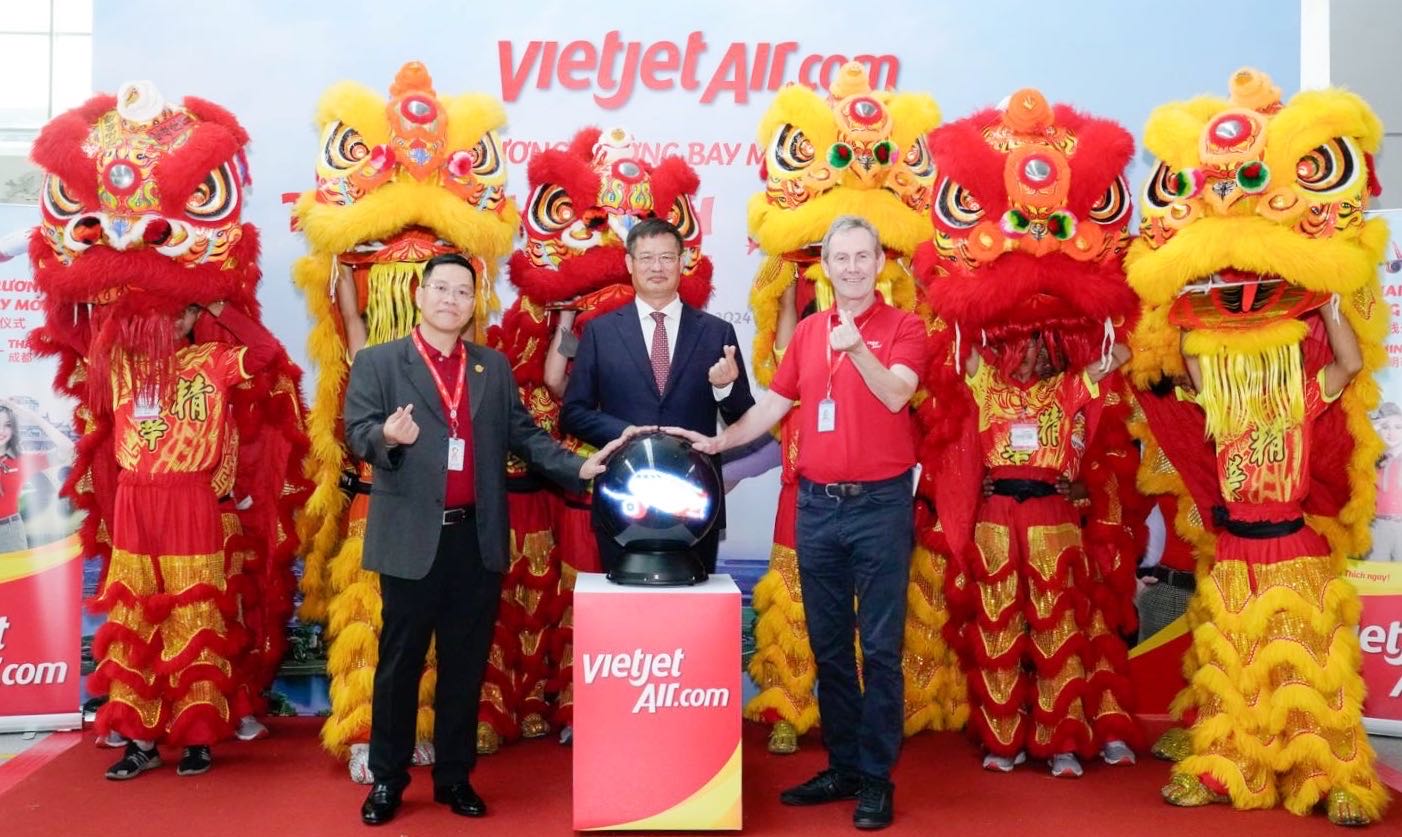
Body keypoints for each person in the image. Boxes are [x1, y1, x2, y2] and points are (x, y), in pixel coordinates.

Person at [345, 253, 623, 826]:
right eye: (441, 289)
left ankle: (453, 777)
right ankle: (388, 780)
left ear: (475, 303)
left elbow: (523, 434)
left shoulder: (490, 368)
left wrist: (578, 468)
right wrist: (386, 438)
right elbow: (356, 431)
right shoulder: (379, 361)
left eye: (463, 292)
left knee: (465, 665)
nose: (451, 300)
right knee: (398, 666)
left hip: (476, 539)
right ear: (420, 297)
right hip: (410, 540)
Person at [674, 215, 926, 830]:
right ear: (826, 267)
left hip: (880, 507)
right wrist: (718, 443)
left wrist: (858, 349)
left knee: (883, 649)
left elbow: (897, 394)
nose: (851, 268)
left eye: (862, 257)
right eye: (840, 258)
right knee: (831, 645)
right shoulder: (810, 332)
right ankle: (842, 765)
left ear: (879, 262)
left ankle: (874, 778)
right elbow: (774, 407)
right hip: (817, 506)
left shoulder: (906, 327)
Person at [94, 301, 282, 780]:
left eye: (187, 311)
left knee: (194, 612)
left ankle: (198, 734)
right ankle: (141, 742)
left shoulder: (212, 360)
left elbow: (265, 352)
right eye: (165, 309)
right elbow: (93, 319)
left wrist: (223, 307)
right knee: (135, 618)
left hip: (191, 497)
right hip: (135, 496)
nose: (175, 320)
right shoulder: (119, 361)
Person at [959, 334, 1133, 777]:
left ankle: (1064, 742)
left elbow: (1123, 354)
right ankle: (1003, 741)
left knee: (1056, 623)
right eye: (1020, 339)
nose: (1028, 350)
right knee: (998, 623)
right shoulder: (985, 384)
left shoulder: (1067, 386)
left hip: (1051, 512)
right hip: (996, 512)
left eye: (1037, 341)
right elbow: (958, 329)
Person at [562, 217, 755, 574]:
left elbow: (743, 418)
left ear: (683, 262)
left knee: (690, 618)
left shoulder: (716, 332)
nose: (657, 267)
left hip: (695, 500)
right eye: (647, 257)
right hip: (623, 495)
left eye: (667, 257)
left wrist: (725, 386)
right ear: (629, 264)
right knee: (626, 618)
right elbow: (573, 412)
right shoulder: (600, 332)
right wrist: (628, 435)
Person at [1371, 402, 1402, 562]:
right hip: (1378, 525)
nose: (1392, 433)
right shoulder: (1373, 460)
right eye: (1386, 427)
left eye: (1398, 427)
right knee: (1376, 575)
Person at [0, 405, 32, 553]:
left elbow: (70, 450)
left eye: (7, 425)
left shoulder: (22, 461)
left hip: (10, 533)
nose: (1, 431)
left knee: (16, 576)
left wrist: (31, 416)